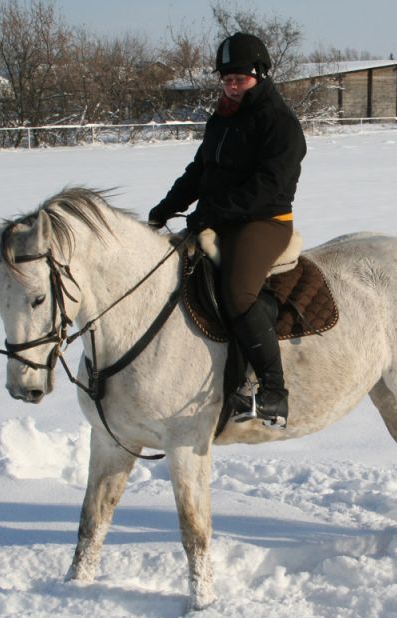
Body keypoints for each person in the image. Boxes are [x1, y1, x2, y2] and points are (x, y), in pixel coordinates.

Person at [148, 32, 306, 428]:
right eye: (227, 80)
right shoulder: (222, 118)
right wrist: (166, 208)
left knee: (237, 294)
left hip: (265, 221)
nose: (232, 86)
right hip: (218, 218)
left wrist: (211, 213)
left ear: (260, 75)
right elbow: (200, 170)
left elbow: (268, 186)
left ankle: (273, 392)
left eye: (240, 79)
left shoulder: (279, 123)